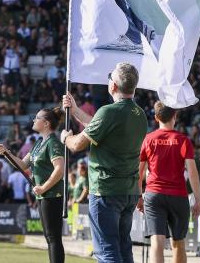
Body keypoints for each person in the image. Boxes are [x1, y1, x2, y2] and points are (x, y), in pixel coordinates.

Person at [61, 63, 148, 263]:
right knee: (124, 250)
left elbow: (77, 145)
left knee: (107, 252)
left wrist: (66, 137)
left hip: (106, 191)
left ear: (113, 87)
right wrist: (74, 111)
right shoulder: (139, 113)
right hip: (129, 191)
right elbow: (100, 126)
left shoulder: (108, 112)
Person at [0, 107, 66, 263]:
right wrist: (6, 153)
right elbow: (22, 165)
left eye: (37, 118)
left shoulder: (53, 143)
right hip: (43, 195)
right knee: (49, 237)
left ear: (46, 123)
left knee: (53, 237)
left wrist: (43, 187)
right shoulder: (39, 142)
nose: (34, 120)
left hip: (52, 194)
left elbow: (60, 169)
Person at [138, 102, 200, 263]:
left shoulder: (148, 139)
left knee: (156, 242)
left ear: (156, 117)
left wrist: (138, 196)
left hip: (154, 195)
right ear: (175, 116)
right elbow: (193, 173)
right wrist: (198, 200)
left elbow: (138, 173)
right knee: (178, 242)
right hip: (178, 196)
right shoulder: (183, 140)